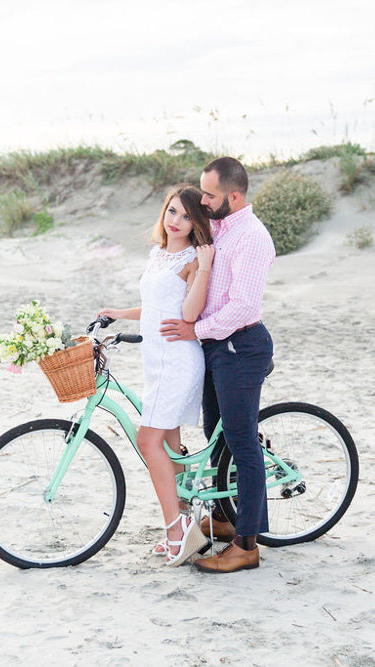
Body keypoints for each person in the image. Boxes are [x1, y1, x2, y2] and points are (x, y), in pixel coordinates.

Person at [160, 157, 275, 573]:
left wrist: (196, 330)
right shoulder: (220, 227)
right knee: (216, 435)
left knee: (243, 444)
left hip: (240, 347)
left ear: (234, 195)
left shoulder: (253, 238)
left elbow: (243, 306)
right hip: (214, 345)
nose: (202, 201)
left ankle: (247, 546)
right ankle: (226, 520)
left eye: (209, 195)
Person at [98, 184, 215, 566]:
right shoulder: (159, 254)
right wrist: (117, 313)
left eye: (186, 215)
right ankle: (186, 524)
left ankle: (176, 533)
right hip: (156, 359)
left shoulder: (192, 259)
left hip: (177, 360)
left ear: (196, 221)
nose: (177, 221)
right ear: (164, 212)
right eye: (172, 211)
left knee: (149, 442)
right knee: (168, 445)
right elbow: (153, 307)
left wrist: (205, 267)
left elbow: (191, 312)